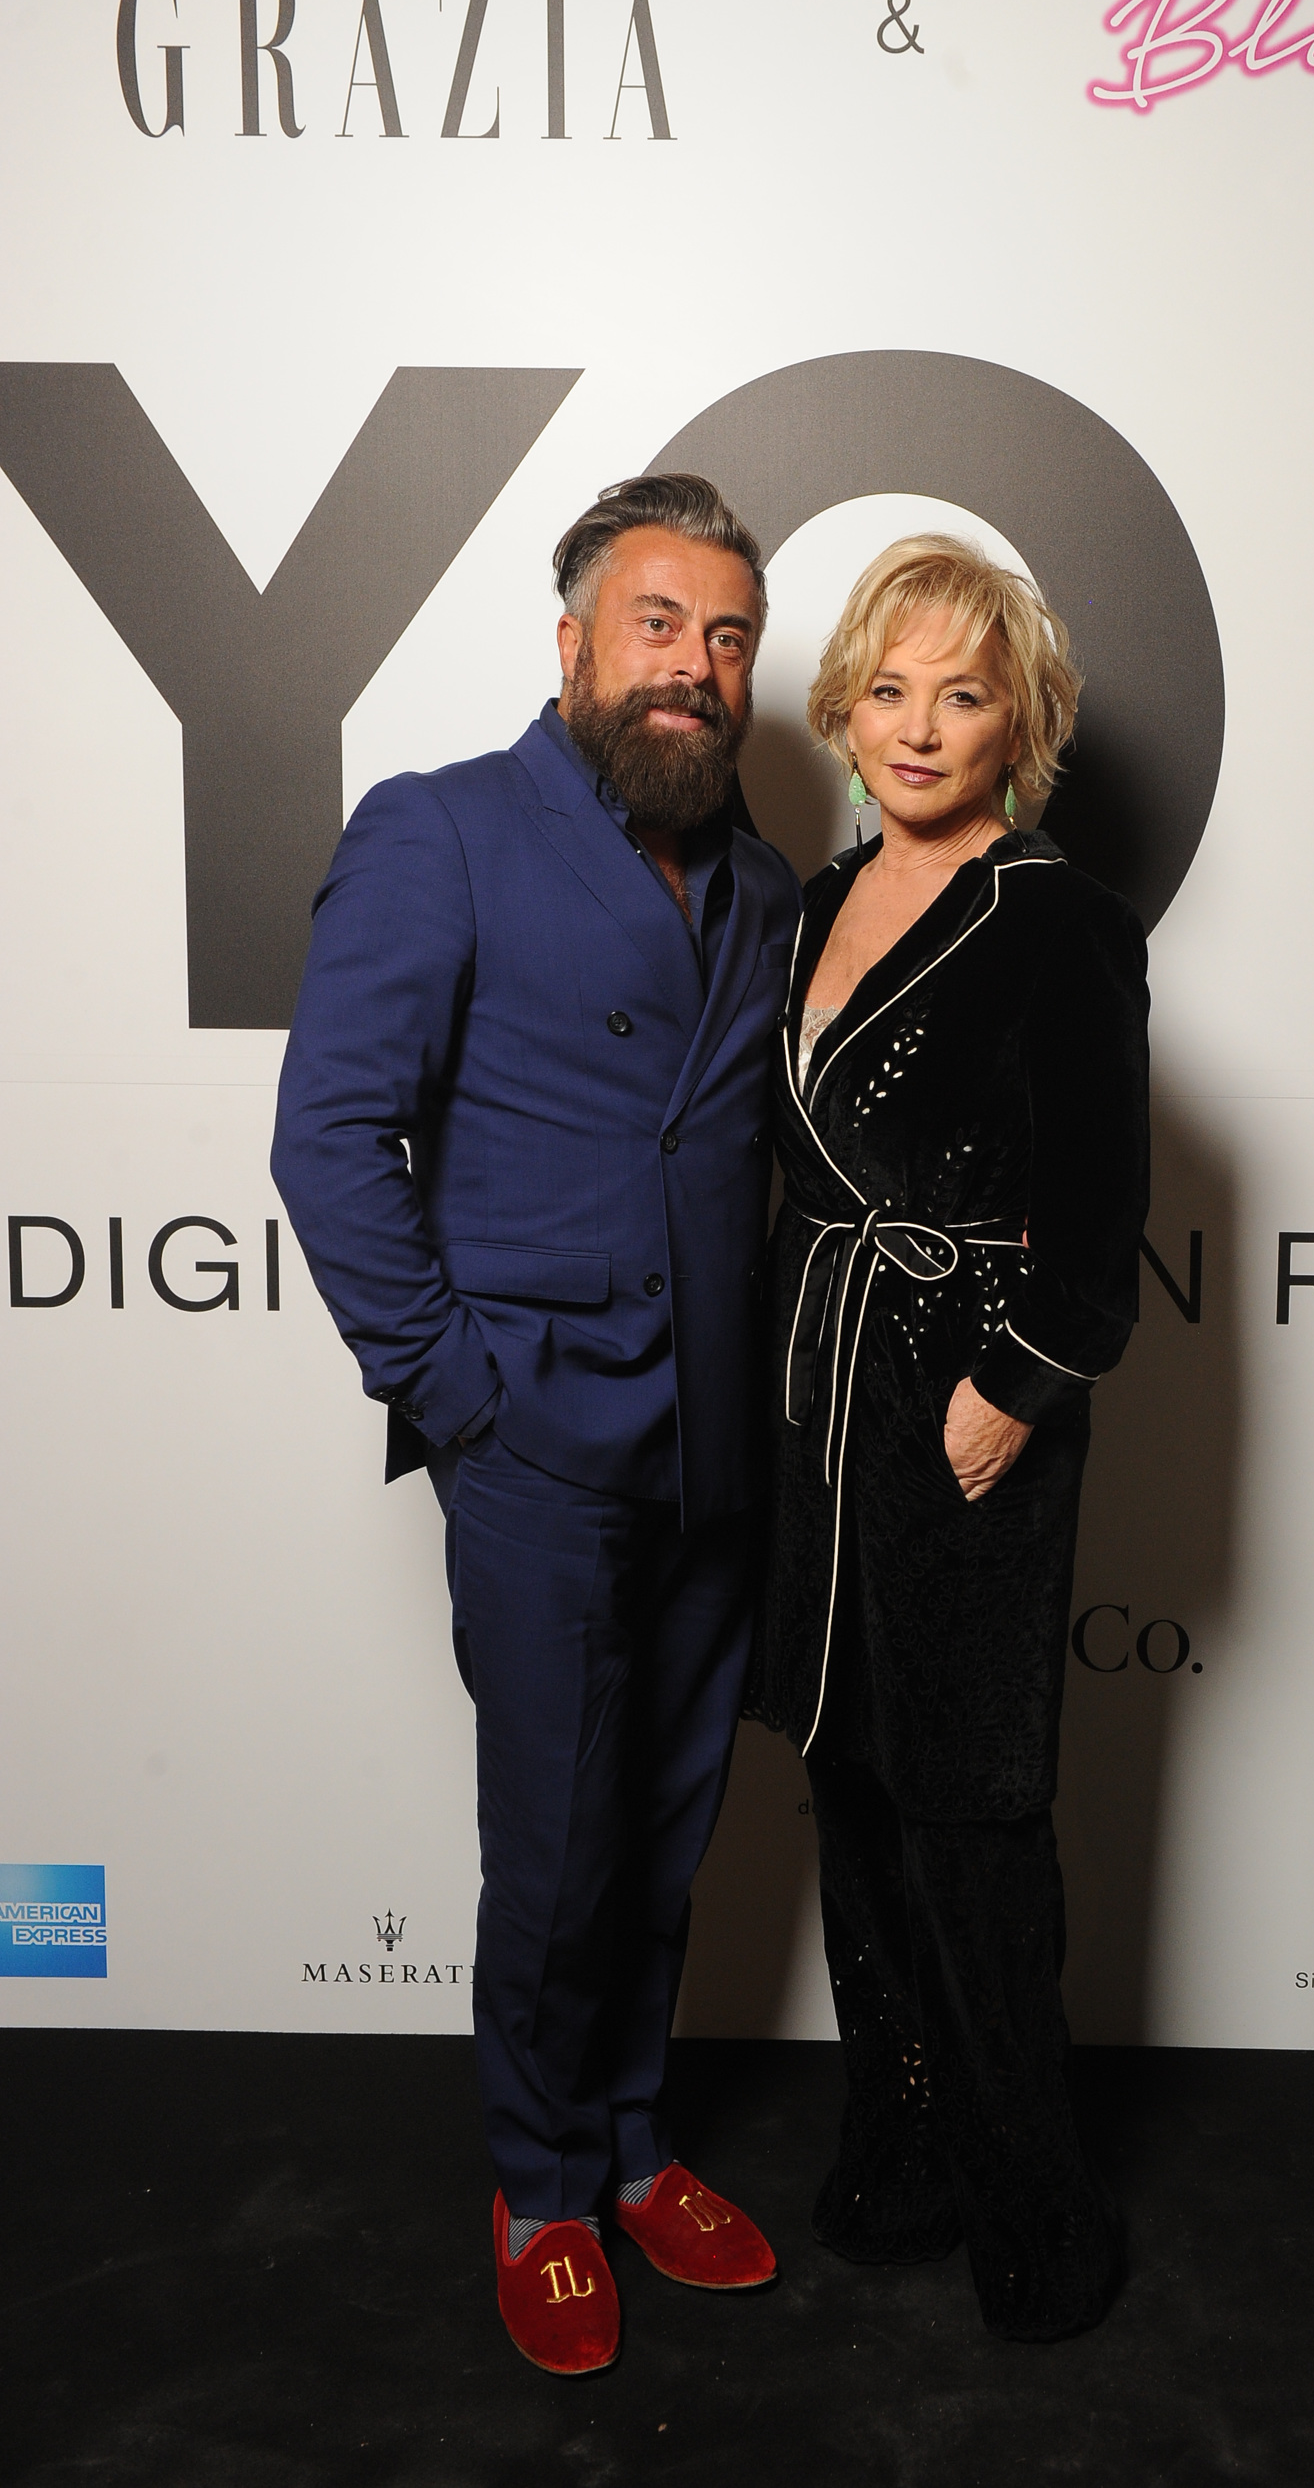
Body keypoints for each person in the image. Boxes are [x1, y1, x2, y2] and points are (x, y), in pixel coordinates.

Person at [271, 474, 800, 2377]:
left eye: (728, 637)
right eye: (658, 623)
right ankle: (540, 2183)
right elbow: (332, 1137)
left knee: (668, 1825)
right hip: (537, 1437)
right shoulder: (441, 828)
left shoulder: (767, 884)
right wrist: (456, 1392)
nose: (694, 666)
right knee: (559, 1841)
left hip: (716, 1443)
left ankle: (636, 2144)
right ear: (572, 642)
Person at [751, 534, 1151, 2341]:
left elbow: (1100, 1222)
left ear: (1021, 724)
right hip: (821, 1401)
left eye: (964, 694)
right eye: (891, 689)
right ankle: (902, 2145)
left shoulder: (1061, 920)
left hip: (964, 1402)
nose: (920, 726)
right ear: (845, 709)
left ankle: (1036, 2209)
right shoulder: (816, 893)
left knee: (973, 1817)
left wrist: (1012, 1390)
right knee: (854, 1788)